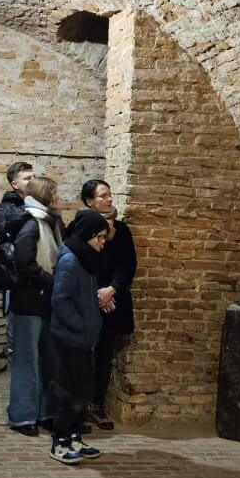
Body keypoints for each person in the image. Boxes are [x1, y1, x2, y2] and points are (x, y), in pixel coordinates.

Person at [49, 209, 109, 464]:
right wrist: (82, 326)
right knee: (70, 392)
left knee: (83, 390)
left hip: (84, 337)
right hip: (70, 337)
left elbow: (84, 296)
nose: (103, 242)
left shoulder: (87, 259)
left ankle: (74, 437)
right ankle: (59, 442)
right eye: (100, 237)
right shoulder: (70, 260)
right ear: (87, 235)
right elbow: (60, 300)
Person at [5, 176, 62, 437]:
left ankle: (45, 412)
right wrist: (52, 281)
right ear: (45, 196)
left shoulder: (49, 222)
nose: (58, 198)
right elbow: (26, 264)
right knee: (26, 362)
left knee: (48, 359)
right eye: (55, 193)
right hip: (29, 302)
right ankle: (23, 416)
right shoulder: (31, 224)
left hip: (45, 301)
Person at [79, 180, 136, 431]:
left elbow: (128, 265)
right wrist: (95, 293)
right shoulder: (80, 227)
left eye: (110, 195)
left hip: (112, 299)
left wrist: (111, 289)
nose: (109, 199)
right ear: (90, 201)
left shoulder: (121, 231)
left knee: (103, 356)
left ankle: (97, 404)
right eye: (103, 196)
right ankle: (77, 405)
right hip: (86, 299)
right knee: (81, 356)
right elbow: (76, 263)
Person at [0, 161, 35, 360]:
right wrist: (31, 213)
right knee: (15, 326)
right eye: (27, 178)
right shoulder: (3, 208)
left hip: (37, 274)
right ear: (14, 184)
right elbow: (6, 232)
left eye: (33, 177)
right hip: (16, 275)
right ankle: (15, 371)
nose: (32, 181)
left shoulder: (40, 203)